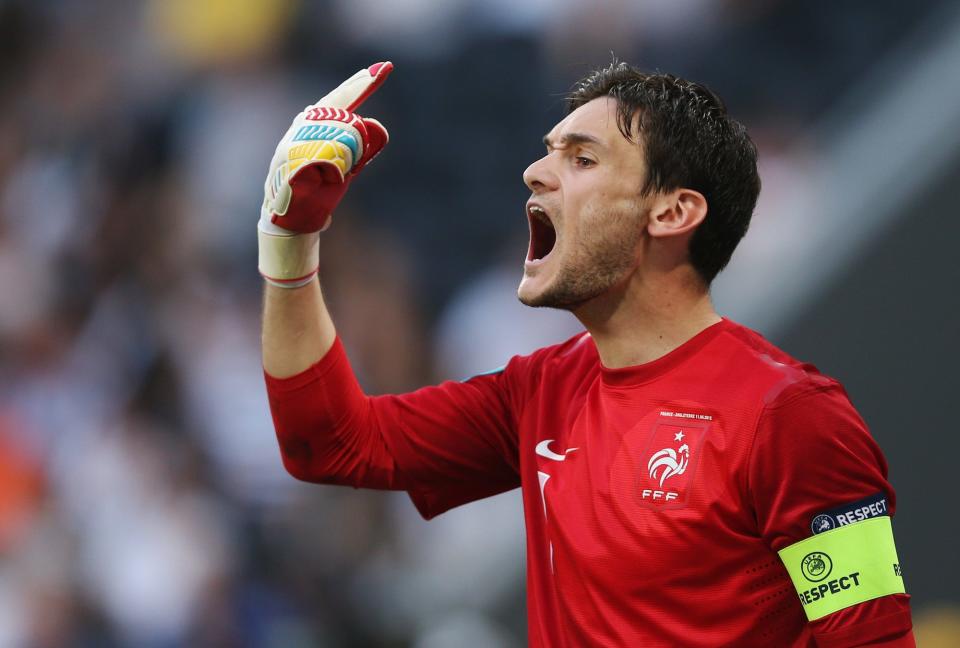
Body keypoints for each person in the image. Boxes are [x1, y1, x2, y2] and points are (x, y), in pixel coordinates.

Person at [258, 61, 914, 646]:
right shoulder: (541, 390)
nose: (534, 172)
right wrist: (290, 246)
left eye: (581, 159)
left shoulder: (791, 417)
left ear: (672, 212)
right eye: (549, 152)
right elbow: (330, 443)